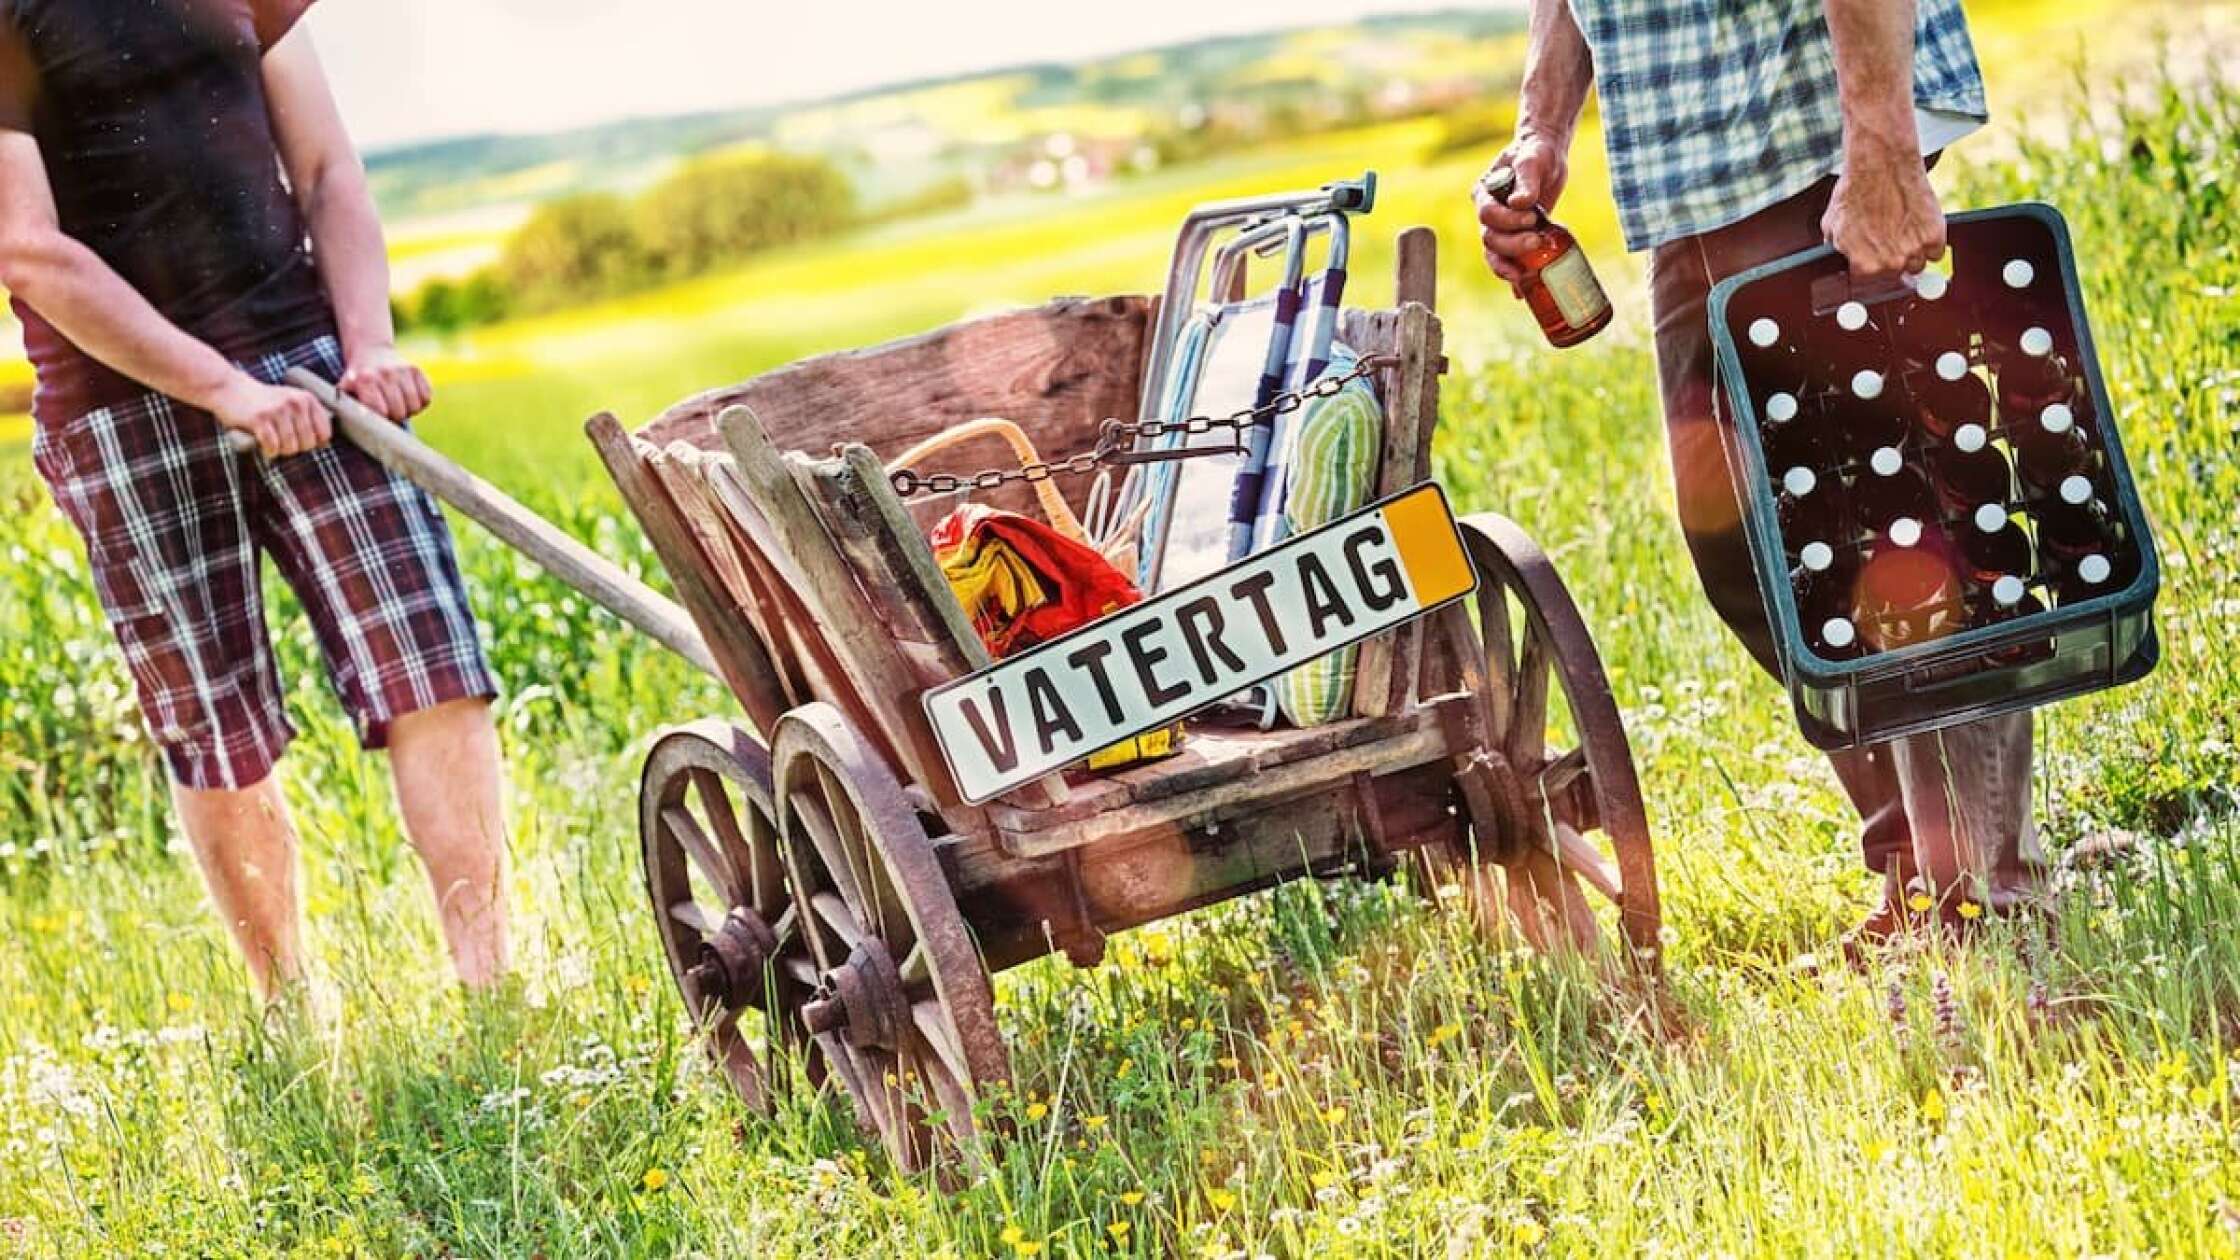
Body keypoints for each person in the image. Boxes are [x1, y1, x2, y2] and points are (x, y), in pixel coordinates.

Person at [1475, 0, 2042, 950]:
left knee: (1886, 538)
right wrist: (1542, 127)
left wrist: (1884, 151)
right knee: (1739, 546)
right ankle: (1917, 876)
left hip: (1810, 135)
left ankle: (1982, 902)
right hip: (1686, 173)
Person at [0, 0, 511, 1000]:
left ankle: (493, 987)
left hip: (313, 367)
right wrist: (222, 387)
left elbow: (326, 170)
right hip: (121, 406)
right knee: (215, 720)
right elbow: (28, 250)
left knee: (432, 667)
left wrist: (369, 345)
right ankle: (291, 1014)